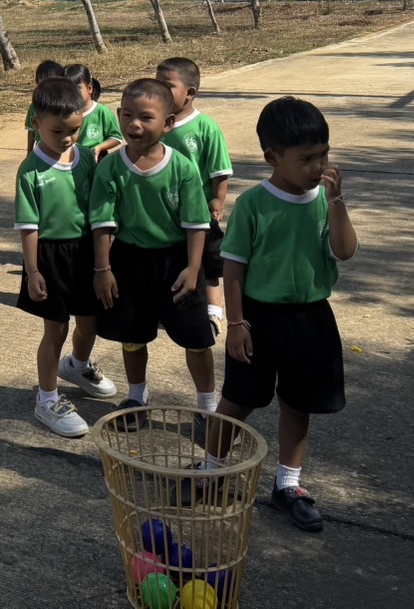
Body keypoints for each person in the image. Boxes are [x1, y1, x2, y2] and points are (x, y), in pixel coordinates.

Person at [204, 97, 358, 533]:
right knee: (238, 399)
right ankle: (209, 468)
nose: (318, 166)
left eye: (323, 155)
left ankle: (288, 483)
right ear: (272, 157)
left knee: (299, 401)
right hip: (257, 318)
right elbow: (234, 269)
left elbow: (345, 251)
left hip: (311, 317)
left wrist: (337, 201)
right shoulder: (254, 204)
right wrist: (236, 324)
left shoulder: (325, 200)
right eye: (306, 158)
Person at [90, 78, 216, 427]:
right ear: (118, 115)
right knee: (132, 335)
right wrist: (102, 269)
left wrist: (194, 269)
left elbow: (196, 224)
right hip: (129, 262)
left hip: (177, 262)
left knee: (196, 338)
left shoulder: (182, 169)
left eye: (146, 117)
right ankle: (136, 397)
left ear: (168, 123)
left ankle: (208, 406)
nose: (134, 125)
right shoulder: (110, 168)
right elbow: (102, 223)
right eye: (127, 115)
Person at [16, 77, 119, 437]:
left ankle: (77, 365)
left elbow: (99, 208)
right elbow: (28, 227)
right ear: (36, 123)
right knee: (56, 329)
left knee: (90, 323)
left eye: (74, 130)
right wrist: (32, 271)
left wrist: (103, 261)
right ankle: (47, 399)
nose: (67, 138)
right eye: (57, 131)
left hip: (86, 252)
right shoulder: (30, 171)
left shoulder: (87, 158)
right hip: (50, 257)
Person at [157, 57, 233, 339]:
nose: (160, 91)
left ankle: (213, 313)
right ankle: (167, 305)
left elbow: (219, 170)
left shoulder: (205, 128)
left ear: (189, 93)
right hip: (164, 212)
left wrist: (217, 200)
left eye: (167, 86)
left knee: (208, 265)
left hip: (199, 212)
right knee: (172, 259)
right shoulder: (156, 124)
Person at [63, 63, 123, 159]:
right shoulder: (63, 114)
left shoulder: (102, 112)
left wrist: (99, 148)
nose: (72, 93)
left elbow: (116, 137)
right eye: (67, 89)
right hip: (72, 160)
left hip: (96, 160)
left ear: (89, 88)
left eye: (77, 88)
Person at [24, 59, 66, 153]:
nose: (47, 85)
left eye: (51, 81)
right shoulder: (34, 106)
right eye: (42, 81)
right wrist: (29, 152)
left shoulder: (65, 105)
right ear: (36, 81)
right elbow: (31, 131)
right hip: (41, 151)